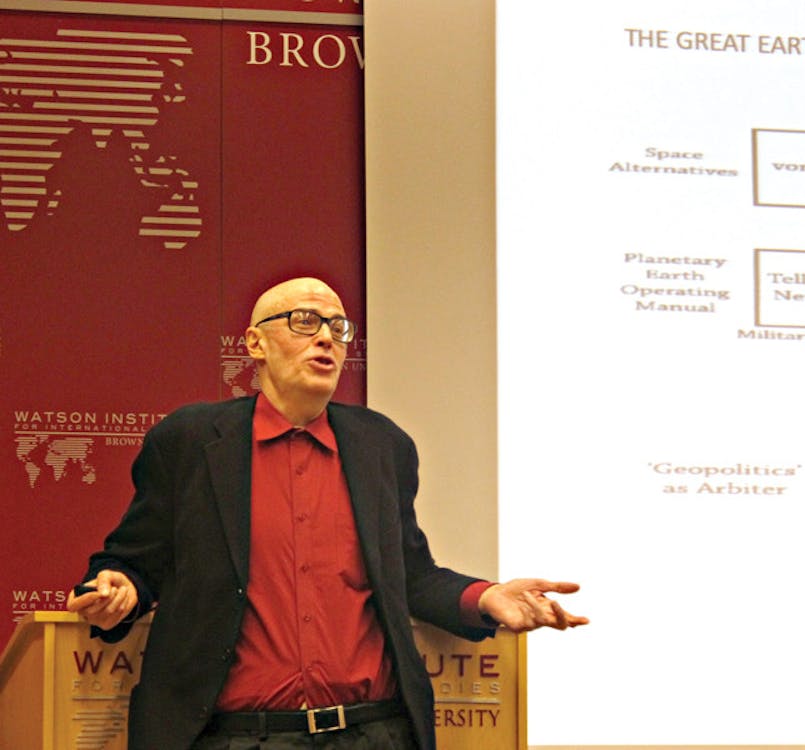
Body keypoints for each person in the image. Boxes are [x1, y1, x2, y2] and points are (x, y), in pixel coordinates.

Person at [67, 277, 587, 750]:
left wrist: (487, 597)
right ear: (255, 344)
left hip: (374, 732)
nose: (325, 338)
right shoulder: (192, 442)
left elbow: (409, 575)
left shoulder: (382, 445)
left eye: (338, 328)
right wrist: (120, 589)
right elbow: (135, 560)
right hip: (234, 736)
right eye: (304, 321)